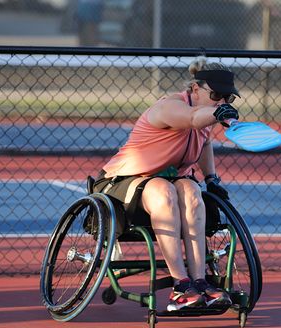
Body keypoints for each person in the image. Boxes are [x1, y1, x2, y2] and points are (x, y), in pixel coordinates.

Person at [93, 56, 240, 311]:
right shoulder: (169, 107)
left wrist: (211, 179)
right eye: (217, 95)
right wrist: (217, 112)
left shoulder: (207, 114)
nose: (223, 102)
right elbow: (193, 118)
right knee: (163, 190)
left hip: (169, 181)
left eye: (229, 99)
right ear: (196, 89)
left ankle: (199, 281)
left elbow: (203, 141)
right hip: (121, 184)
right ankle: (180, 284)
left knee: (192, 190)